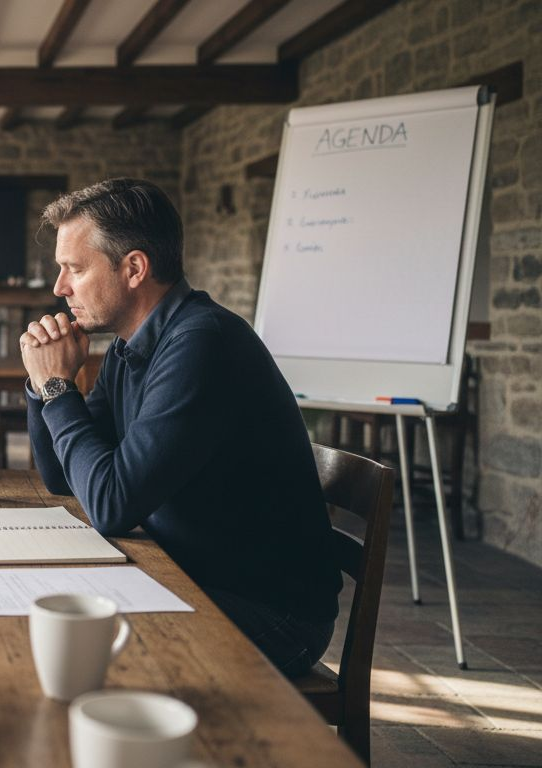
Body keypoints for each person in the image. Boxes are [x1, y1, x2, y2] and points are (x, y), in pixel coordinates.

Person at [20, 178, 341, 678]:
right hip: (191, 572)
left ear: (134, 269)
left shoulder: (202, 345)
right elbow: (64, 478)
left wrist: (59, 389)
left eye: (74, 269)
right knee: (51, 619)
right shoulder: (133, 347)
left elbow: (108, 505)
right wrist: (43, 383)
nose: (60, 288)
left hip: (271, 613)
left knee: (76, 649)